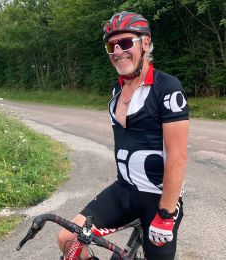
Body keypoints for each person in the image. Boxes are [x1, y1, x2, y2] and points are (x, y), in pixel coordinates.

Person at [57, 11, 189, 260]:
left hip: (158, 199)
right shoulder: (117, 89)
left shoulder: (166, 88)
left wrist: (165, 214)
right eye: (111, 45)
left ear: (145, 43)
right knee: (68, 239)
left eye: (126, 43)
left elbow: (178, 157)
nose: (117, 51)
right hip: (124, 191)